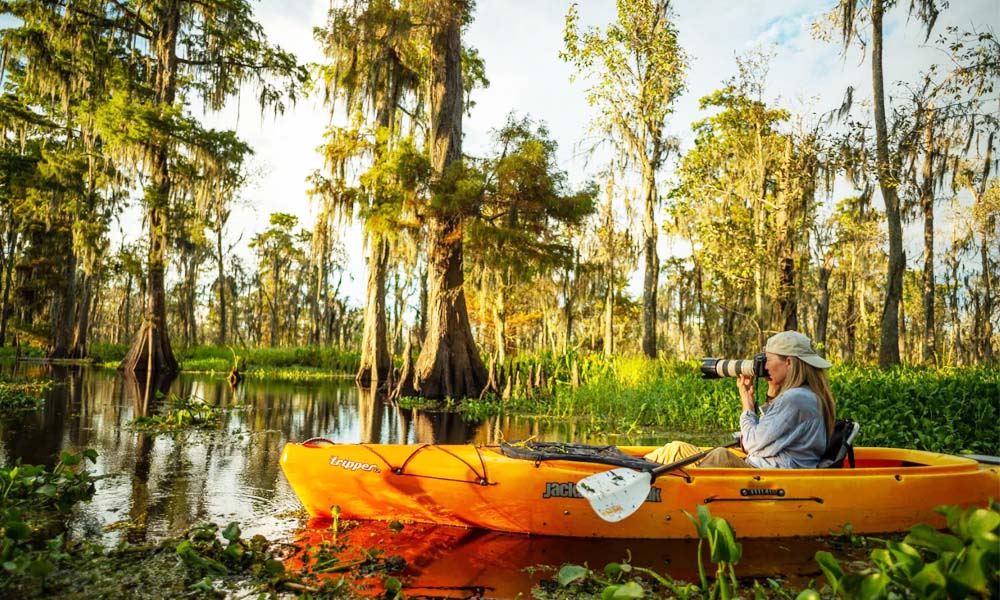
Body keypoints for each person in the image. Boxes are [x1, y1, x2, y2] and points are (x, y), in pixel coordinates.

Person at [644, 330, 836, 468]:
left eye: (768, 360)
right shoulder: (805, 395)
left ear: (788, 362)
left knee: (720, 455)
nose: (763, 367)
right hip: (760, 470)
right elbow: (766, 440)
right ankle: (635, 472)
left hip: (767, 479)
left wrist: (746, 406)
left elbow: (751, 443)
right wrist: (767, 393)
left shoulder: (796, 398)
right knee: (677, 449)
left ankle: (643, 483)